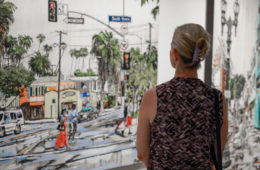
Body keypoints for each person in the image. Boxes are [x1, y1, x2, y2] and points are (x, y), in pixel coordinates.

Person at [136, 23, 228, 169]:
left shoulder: (152, 97)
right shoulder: (216, 99)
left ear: (175, 54)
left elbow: (142, 153)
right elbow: (216, 156)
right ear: (201, 56)